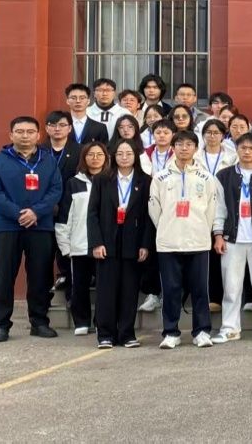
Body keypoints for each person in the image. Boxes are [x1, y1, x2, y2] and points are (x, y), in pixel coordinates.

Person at [0, 116, 63, 342]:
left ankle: (39, 322)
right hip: (8, 227)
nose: (25, 136)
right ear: (11, 135)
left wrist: (36, 212)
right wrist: (18, 214)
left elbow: (55, 190)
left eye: (30, 132)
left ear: (38, 135)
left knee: (40, 276)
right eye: (19, 131)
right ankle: (1, 324)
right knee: (4, 277)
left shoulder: (48, 161)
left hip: (40, 226)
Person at [147, 130, 222, 349]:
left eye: (189, 144)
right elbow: (154, 209)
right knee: (171, 290)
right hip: (168, 242)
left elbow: (211, 209)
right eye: (179, 144)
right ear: (173, 148)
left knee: (200, 290)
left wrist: (201, 229)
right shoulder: (160, 177)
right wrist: (167, 227)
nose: (184, 148)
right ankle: (171, 332)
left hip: (198, 241)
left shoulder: (206, 178)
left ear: (196, 148)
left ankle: (202, 331)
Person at [87, 138, 152, 348]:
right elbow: (92, 213)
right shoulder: (102, 179)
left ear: (136, 156)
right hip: (107, 242)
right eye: (120, 153)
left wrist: (145, 245)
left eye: (129, 153)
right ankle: (105, 334)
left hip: (133, 243)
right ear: (113, 156)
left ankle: (126, 333)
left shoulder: (145, 181)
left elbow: (148, 216)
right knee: (106, 290)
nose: (124, 157)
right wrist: (96, 242)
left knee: (129, 290)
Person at [57, 141, 108, 337]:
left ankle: (101, 322)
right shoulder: (74, 183)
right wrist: (65, 246)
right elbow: (64, 217)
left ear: (106, 158)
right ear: (84, 158)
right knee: (79, 286)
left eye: (99, 154)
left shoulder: (111, 181)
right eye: (90, 155)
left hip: (104, 245)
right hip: (79, 245)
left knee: (104, 287)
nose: (95, 158)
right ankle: (81, 321)